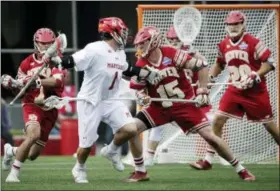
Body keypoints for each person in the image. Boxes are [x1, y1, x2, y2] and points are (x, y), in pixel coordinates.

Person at [123, 26, 255, 182]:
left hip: (184, 106)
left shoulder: (171, 54)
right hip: (159, 108)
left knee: (210, 137)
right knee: (131, 129)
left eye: (142, 44)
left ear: (153, 41)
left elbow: (202, 65)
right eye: (138, 44)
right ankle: (140, 171)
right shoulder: (141, 62)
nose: (138, 47)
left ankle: (240, 169)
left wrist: (203, 91)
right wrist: (142, 96)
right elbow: (140, 88)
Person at [49, 17, 160, 183]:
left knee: (131, 129)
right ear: (112, 32)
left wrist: (146, 73)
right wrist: (59, 61)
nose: (124, 34)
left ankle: (112, 150)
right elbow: (73, 61)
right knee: (86, 146)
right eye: (122, 30)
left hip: (111, 100)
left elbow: (127, 70)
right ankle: (79, 168)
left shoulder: (120, 52)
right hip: (90, 100)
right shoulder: (94, 49)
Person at [189, 11, 279, 172]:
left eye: (236, 24)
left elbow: (270, 63)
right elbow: (219, 64)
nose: (233, 27)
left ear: (243, 24)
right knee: (217, 120)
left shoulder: (254, 42)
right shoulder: (223, 44)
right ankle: (208, 160)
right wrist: (210, 76)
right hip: (234, 90)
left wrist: (255, 74)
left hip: (255, 92)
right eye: (230, 24)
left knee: (270, 127)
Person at [1, 28, 66, 183]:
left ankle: (11, 151)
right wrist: (13, 84)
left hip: (50, 107)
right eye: (43, 44)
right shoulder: (26, 63)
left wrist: (36, 81)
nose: (46, 46)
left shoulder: (57, 60)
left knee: (32, 154)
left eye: (49, 43)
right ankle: (14, 173)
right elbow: (21, 91)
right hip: (32, 104)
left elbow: (58, 81)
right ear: (36, 43)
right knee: (33, 134)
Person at [145, 26, 214, 166]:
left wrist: (203, 88)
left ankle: (209, 157)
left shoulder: (193, 56)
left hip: (191, 101)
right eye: (171, 39)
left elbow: (204, 71)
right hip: (170, 101)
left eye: (176, 39)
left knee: (213, 122)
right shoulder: (163, 56)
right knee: (155, 125)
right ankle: (149, 158)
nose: (173, 42)